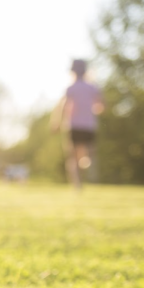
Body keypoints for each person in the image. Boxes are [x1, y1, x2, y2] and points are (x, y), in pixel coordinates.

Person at [50, 59, 105, 192]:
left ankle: (77, 185)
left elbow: (63, 106)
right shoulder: (92, 87)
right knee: (87, 154)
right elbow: (101, 106)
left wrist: (57, 122)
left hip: (73, 125)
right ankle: (85, 163)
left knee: (72, 157)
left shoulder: (71, 88)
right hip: (89, 126)